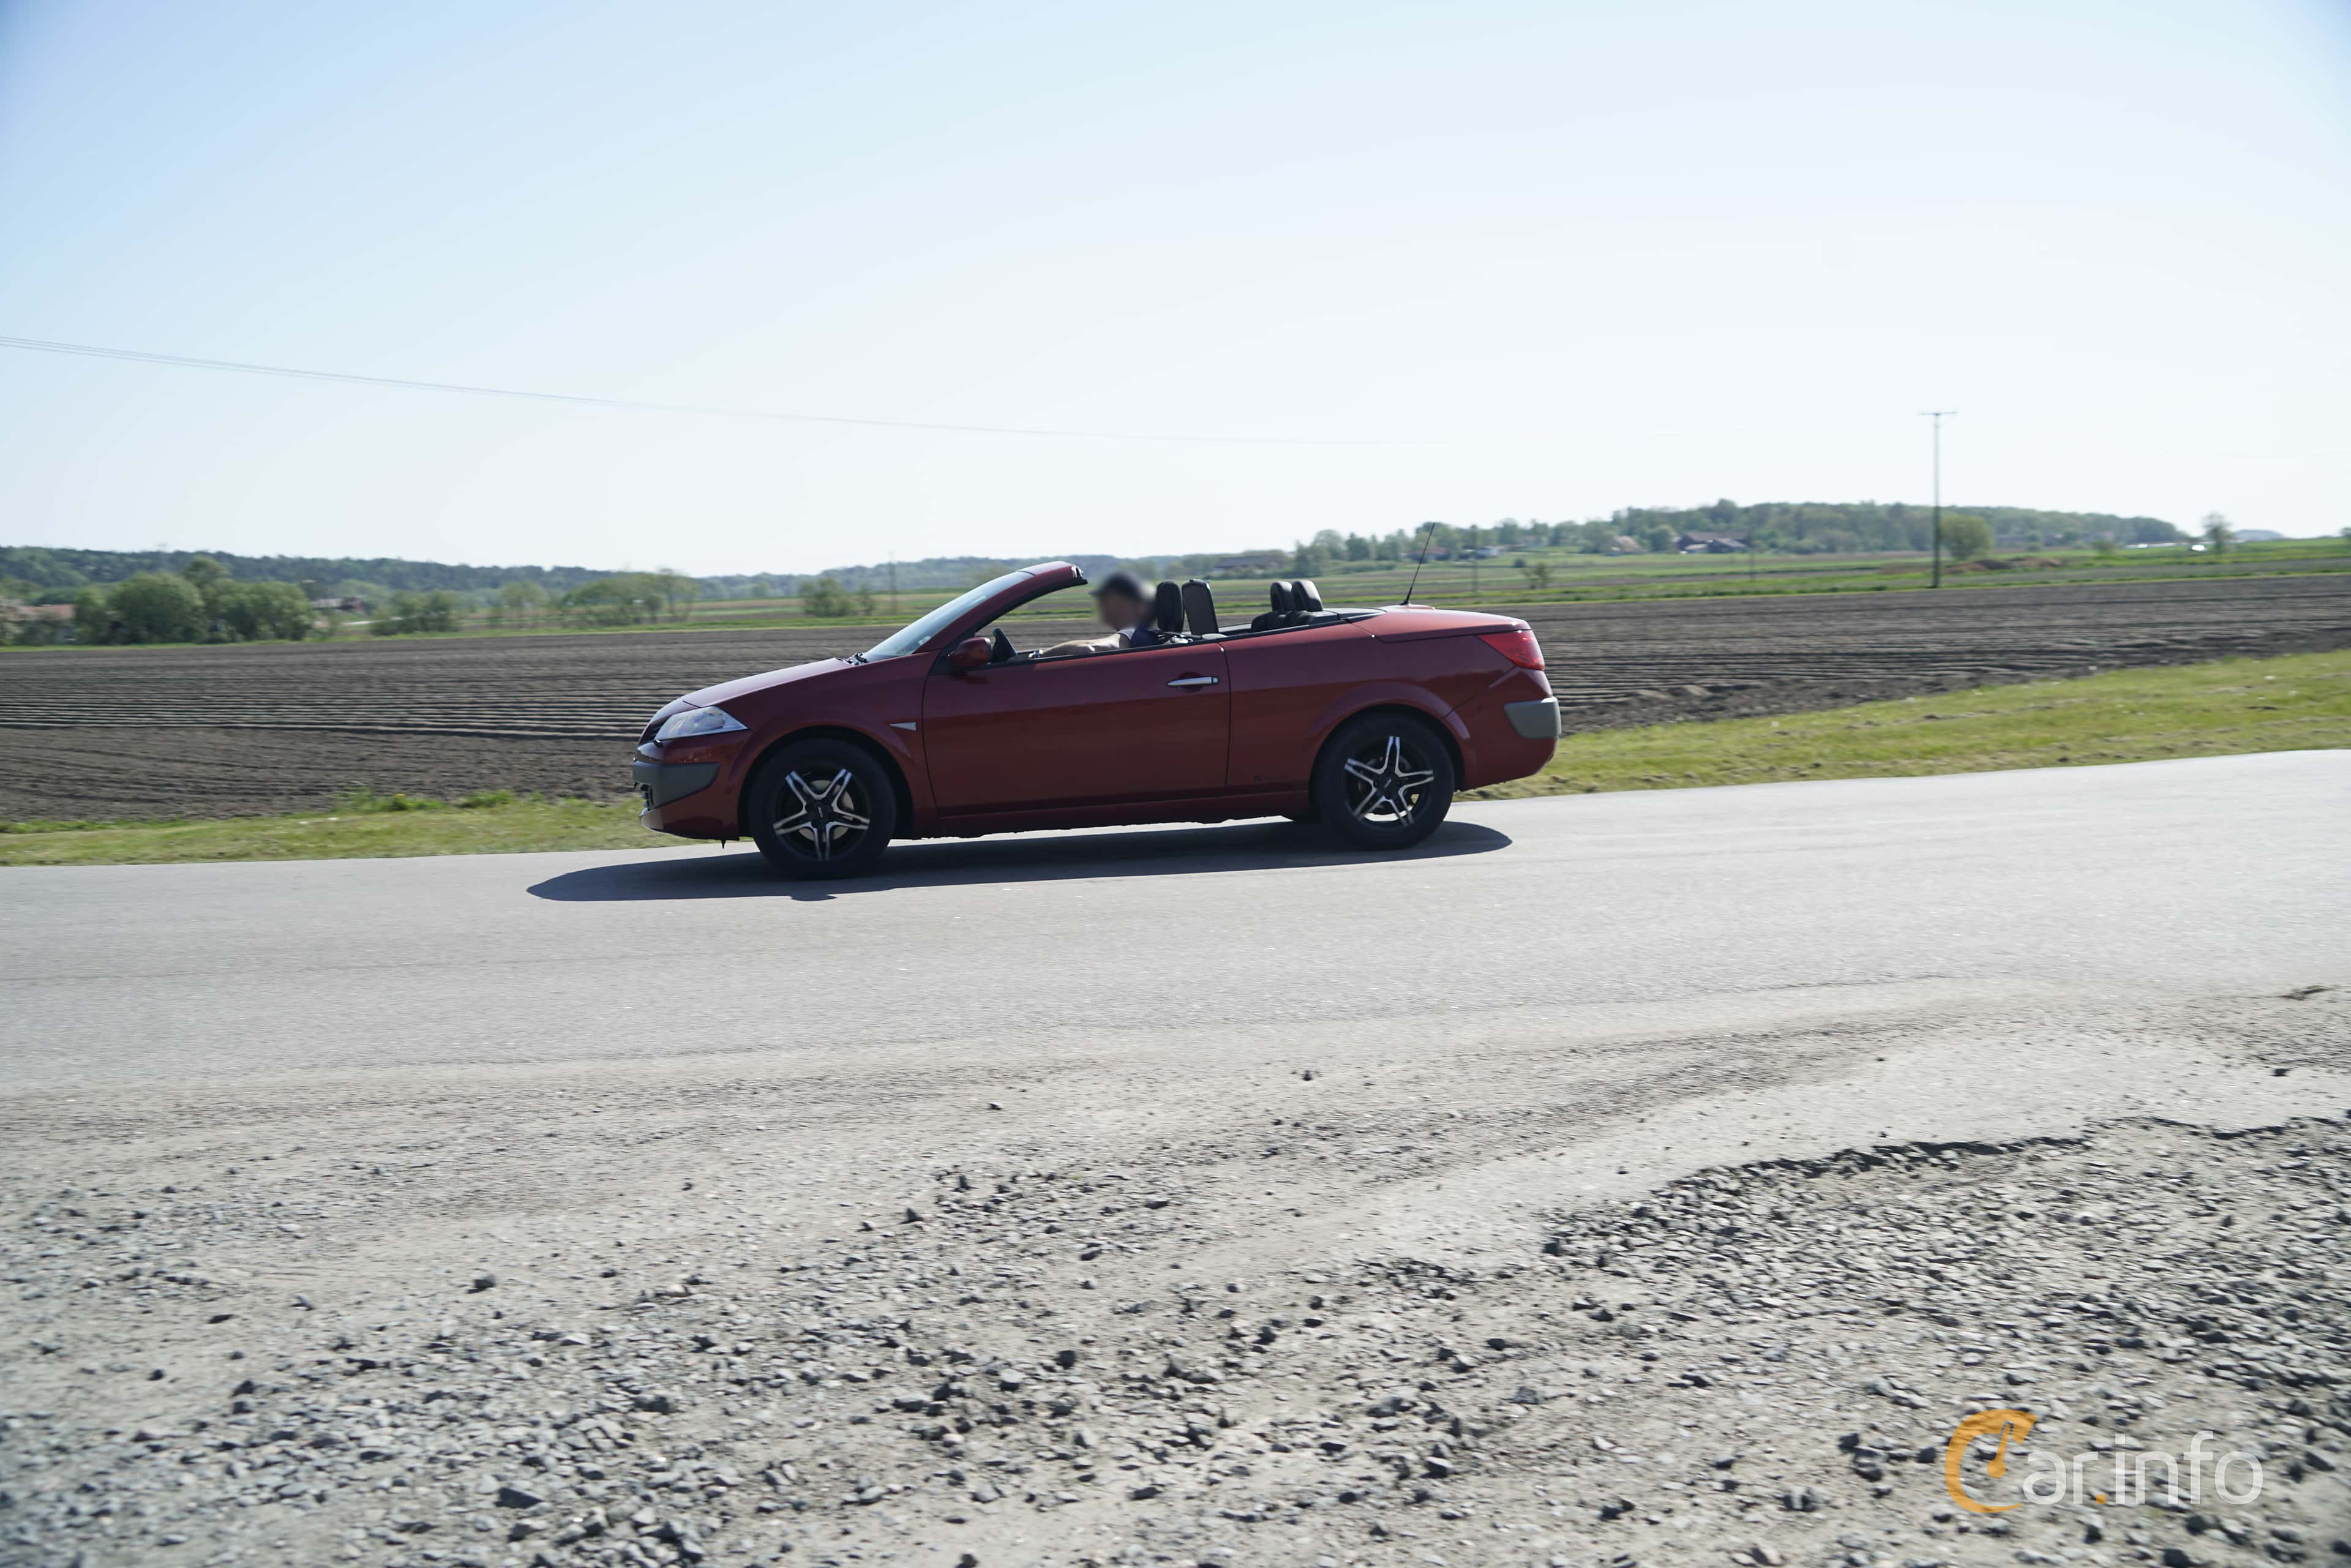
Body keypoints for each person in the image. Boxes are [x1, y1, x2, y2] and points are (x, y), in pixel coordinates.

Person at [1040, 570, 1164, 656]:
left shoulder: (1134, 633)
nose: (1101, 608)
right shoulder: (1148, 634)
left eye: (1105, 601)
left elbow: (1090, 648)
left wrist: (1040, 655)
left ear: (1124, 602)